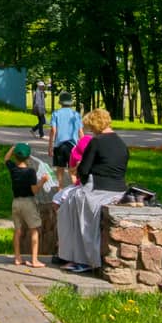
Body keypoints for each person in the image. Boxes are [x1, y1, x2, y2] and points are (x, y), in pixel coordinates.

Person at [56, 109, 130, 273]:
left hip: (97, 190)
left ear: (95, 125)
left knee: (67, 205)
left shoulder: (96, 142)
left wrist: (79, 173)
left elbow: (84, 170)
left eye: (91, 127)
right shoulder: (121, 143)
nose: (90, 131)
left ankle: (78, 258)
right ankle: (75, 256)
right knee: (74, 202)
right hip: (119, 190)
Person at [4, 141, 43, 269]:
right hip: (28, 202)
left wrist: (13, 147)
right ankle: (34, 260)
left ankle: (17, 257)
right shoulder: (30, 172)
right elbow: (34, 190)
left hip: (16, 202)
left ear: (15, 156)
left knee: (18, 230)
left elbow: (6, 158)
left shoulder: (13, 169)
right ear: (28, 157)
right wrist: (43, 181)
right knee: (34, 230)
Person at [49, 92, 83, 186]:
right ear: (70, 102)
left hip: (59, 146)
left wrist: (50, 147)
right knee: (73, 173)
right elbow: (80, 132)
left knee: (59, 173)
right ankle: (76, 193)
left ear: (60, 102)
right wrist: (84, 147)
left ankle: (59, 194)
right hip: (73, 147)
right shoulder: (76, 114)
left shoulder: (55, 114)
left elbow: (53, 131)